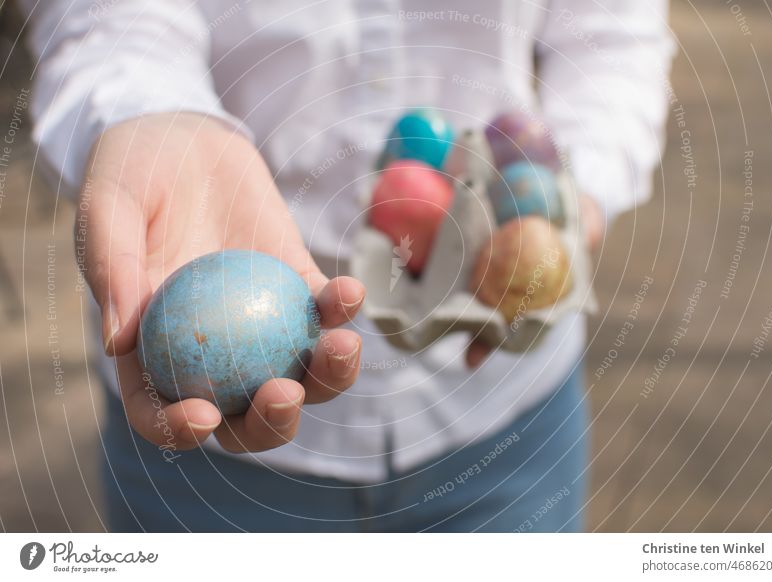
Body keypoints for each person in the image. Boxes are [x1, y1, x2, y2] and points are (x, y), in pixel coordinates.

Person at [20, 0, 674, 532]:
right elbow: (104, 16)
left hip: (505, 426)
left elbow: (613, 32)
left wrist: (572, 197)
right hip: (207, 458)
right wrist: (150, 112)